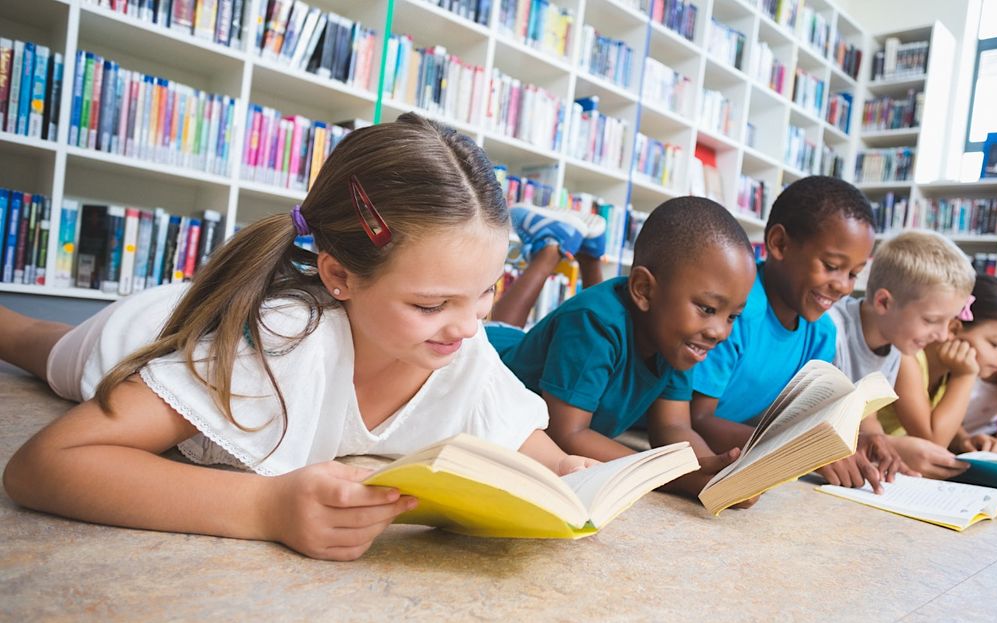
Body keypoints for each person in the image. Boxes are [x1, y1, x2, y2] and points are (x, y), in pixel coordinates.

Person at [2, 114, 593, 561]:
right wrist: (266, 508)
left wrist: (568, 470)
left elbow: (522, 438)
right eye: (431, 304)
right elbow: (46, 464)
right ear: (339, 275)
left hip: (238, 318)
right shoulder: (279, 345)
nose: (468, 325)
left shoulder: (460, 338)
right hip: (152, 329)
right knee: (36, 343)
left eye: (487, 291)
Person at [486, 196, 760, 503]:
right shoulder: (593, 322)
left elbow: (673, 426)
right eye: (708, 308)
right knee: (504, 327)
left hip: (538, 346)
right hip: (491, 357)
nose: (720, 332)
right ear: (644, 289)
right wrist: (675, 475)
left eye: (733, 316)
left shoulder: (678, 340)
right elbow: (566, 435)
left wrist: (717, 472)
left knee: (525, 332)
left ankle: (590, 255)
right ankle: (550, 249)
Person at [689, 176, 911, 494]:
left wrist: (842, 443)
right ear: (779, 244)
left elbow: (795, 423)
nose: (843, 286)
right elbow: (696, 418)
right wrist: (802, 452)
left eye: (853, 274)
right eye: (831, 265)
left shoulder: (822, 333)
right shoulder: (735, 310)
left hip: (732, 451)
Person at [828, 230, 978, 480]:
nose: (942, 336)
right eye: (931, 320)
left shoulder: (894, 343)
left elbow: (866, 423)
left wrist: (887, 453)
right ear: (884, 303)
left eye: (949, 321)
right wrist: (897, 447)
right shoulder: (831, 332)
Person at [880, 275, 997, 453]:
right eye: (995, 344)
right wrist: (964, 376)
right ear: (954, 329)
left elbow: (929, 413)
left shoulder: (946, 369)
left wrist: (964, 440)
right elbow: (933, 441)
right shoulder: (907, 358)